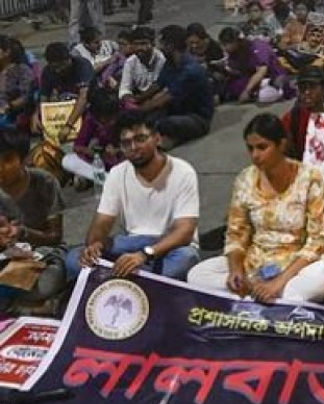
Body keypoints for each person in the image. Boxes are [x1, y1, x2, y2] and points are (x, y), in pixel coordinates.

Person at [187, 113, 324, 302]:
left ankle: (262, 296)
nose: (255, 155)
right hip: (256, 263)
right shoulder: (245, 179)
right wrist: (235, 270)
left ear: (281, 145)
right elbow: (236, 234)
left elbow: (317, 241)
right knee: (197, 275)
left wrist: (279, 282)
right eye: (250, 148)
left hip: (296, 266)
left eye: (262, 147)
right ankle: (264, 295)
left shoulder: (310, 178)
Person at [65, 110, 201, 281]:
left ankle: (120, 279)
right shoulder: (117, 173)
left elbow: (185, 231)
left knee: (186, 259)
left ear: (157, 139)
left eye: (140, 139)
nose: (134, 147)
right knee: (74, 258)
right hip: (131, 243)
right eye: (126, 143)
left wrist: (145, 254)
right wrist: (94, 246)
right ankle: (140, 279)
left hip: (170, 246)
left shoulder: (183, 172)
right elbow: (102, 222)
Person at [0, 129, 67, 315]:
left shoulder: (44, 182)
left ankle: (15, 306)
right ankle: (37, 309)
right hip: (8, 257)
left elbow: (55, 237)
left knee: (47, 283)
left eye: (7, 160)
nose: (0, 168)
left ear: (23, 159)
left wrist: (23, 233)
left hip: (45, 254)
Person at [138, 25, 214, 150]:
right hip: (178, 110)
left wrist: (138, 110)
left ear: (170, 45)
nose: (159, 48)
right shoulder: (170, 63)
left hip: (197, 118)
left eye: (162, 43)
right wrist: (137, 99)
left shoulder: (191, 70)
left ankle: (173, 138)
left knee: (162, 124)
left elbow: (167, 97)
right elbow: (158, 85)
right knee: (148, 120)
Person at [282, 66, 324, 159]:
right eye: (302, 88)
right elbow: (285, 154)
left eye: (312, 87)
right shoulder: (291, 119)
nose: (307, 92)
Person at [35, 42, 95, 144]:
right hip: (63, 109)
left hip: (87, 106)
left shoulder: (82, 65)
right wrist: (36, 116)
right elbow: (43, 97)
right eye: (55, 68)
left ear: (68, 59)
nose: (58, 70)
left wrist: (68, 125)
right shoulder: (48, 71)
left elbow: (84, 97)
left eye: (61, 66)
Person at [62, 90, 124, 187]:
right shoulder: (91, 120)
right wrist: (93, 152)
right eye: (102, 119)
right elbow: (77, 146)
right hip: (102, 161)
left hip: (124, 160)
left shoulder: (127, 116)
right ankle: (107, 181)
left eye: (110, 118)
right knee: (67, 161)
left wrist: (118, 150)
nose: (108, 122)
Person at [218, 27, 292, 104]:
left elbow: (262, 70)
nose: (223, 48)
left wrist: (247, 91)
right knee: (233, 86)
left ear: (235, 42)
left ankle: (262, 91)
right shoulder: (234, 53)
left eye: (225, 45)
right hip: (254, 80)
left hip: (273, 77)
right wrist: (225, 70)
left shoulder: (257, 46)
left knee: (263, 96)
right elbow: (240, 72)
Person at [118, 27, 166, 106]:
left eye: (144, 43)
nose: (140, 48)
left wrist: (140, 100)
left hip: (157, 98)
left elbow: (159, 87)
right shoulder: (130, 62)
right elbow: (124, 88)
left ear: (153, 44)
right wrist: (128, 100)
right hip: (138, 97)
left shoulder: (161, 59)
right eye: (136, 44)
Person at [0, 36, 34, 130]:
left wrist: (8, 106)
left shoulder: (22, 70)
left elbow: (26, 96)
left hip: (10, 114)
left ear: (7, 52)